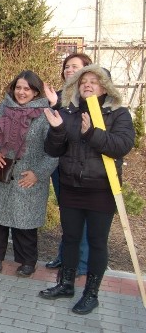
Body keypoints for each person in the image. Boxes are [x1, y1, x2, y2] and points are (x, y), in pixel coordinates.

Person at [40, 65, 134, 315]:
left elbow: (121, 146)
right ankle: (66, 284)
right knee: (70, 238)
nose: (88, 85)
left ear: (105, 86)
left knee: (96, 242)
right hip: (71, 186)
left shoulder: (118, 114)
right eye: (83, 81)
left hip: (102, 189)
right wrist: (57, 130)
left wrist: (92, 133)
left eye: (94, 81)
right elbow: (52, 150)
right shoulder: (69, 112)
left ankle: (91, 293)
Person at [0, 70, 58, 278]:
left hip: (27, 176)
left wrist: (38, 173)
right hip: (0, 171)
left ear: (36, 92)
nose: (21, 92)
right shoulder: (4, 108)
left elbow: (56, 149)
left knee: (24, 222)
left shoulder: (45, 114)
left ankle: (27, 261)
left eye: (27, 89)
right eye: (18, 88)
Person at [44, 53, 93, 274]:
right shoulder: (60, 95)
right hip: (60, 163)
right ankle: (65, 255)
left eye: (74, 66)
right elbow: (55, 129)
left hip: (83, 166)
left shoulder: (88, 96)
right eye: (66, 66)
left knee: (81, 216)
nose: (68, 70)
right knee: (68, 215)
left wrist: (56, 105)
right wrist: (54, 103)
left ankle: (81, 262)